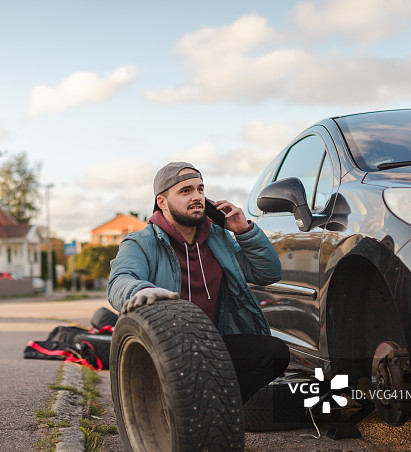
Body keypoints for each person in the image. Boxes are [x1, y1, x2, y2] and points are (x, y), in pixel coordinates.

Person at [107, 161, 290, 403]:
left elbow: (268, 273)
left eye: (200, 189)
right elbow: (120, 281)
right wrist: (140, 290)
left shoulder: (220, 239)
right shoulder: (140, 242)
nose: (197, 197)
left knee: (274, 353)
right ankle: (193, 411)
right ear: (162, 202)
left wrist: (244, 231)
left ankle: (217, 410)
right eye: (186, 191)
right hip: (165, 345)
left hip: (212, 342)